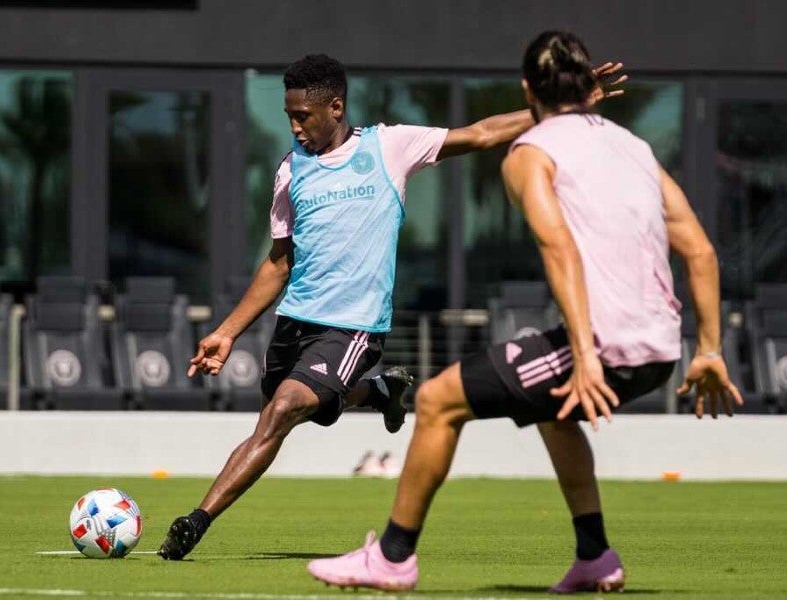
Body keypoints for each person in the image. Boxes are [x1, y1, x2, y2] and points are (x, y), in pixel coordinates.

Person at [307, 31, 744, 593]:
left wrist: (584, 355)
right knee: (552, 412)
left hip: (605, 345)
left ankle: (392, 560)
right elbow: (700, 250)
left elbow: (559, 247)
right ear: (588, 86)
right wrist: (708, 350)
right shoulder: (634, 147)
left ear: (526, 89)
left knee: (439, 400)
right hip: (663, 347)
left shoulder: (530, 155)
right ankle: (594, 557)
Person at [158, 52, 625, 561]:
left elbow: (484, 132)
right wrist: (227, 331)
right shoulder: (291, 171)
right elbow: (277, 263)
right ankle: (380, 391)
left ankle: (195, 522)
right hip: (295, 321)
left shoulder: (390, 146)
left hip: (354, 327)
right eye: (288, 116)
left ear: (335, 107)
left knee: (282, 411)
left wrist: (567, 109)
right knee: (291, 406)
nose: (293, 127)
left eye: (301, 116)